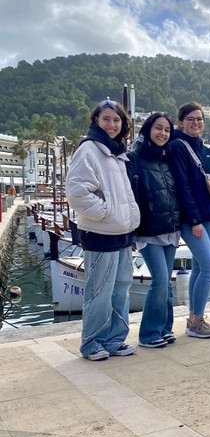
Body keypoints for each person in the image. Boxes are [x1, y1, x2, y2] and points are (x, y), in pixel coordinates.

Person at [66, 99, 140, 361]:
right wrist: (108, 214)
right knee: (99, 291)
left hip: (122, 235)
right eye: (106, 119)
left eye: (116, 120)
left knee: (121, 288)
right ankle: (91, 342)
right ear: (96, 121)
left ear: (123, 124)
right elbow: (77, 194)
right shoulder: (89, 150)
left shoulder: (117, 153)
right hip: (100, 234)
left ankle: (114, 339)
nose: (111, 124)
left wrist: (122, 218)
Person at [169, 102, 210, 338]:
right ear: (181, 121)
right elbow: (182, 186)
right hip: (193, 218)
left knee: (199, 267)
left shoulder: (204, 149)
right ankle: (197, 320)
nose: (196, 123)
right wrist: (193, 219)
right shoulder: (177, 146)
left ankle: (193, 318)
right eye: (191, 119)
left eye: (200, 119)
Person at [127, 112, 181, 348]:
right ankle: (148, 334)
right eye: (158, 128)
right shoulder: (134, 158)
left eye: (167, 130)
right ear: (148, 129)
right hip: (147, 229)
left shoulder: (167, 158)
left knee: (166, 281)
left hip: (169, 227)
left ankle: (164, 328)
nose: (163, 133)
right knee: (159, 279)